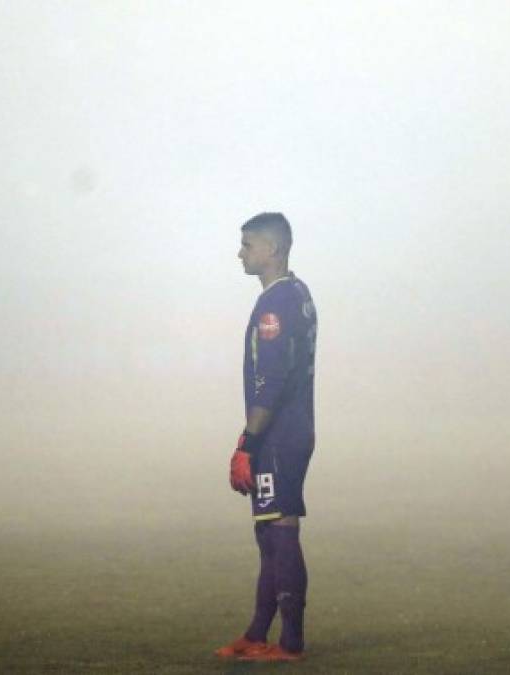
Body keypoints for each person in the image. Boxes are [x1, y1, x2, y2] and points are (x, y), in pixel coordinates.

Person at [215, 212, 317, 662]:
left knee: (281, 530)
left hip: (279, 435)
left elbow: (270, 382)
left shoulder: (274, 305)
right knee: (268, 534)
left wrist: (247, 444)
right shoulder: (299, 293)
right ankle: (258, 631)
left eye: (247, 244)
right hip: (288, 430)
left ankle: (290, 642)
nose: (241, 253)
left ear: (272, 249)